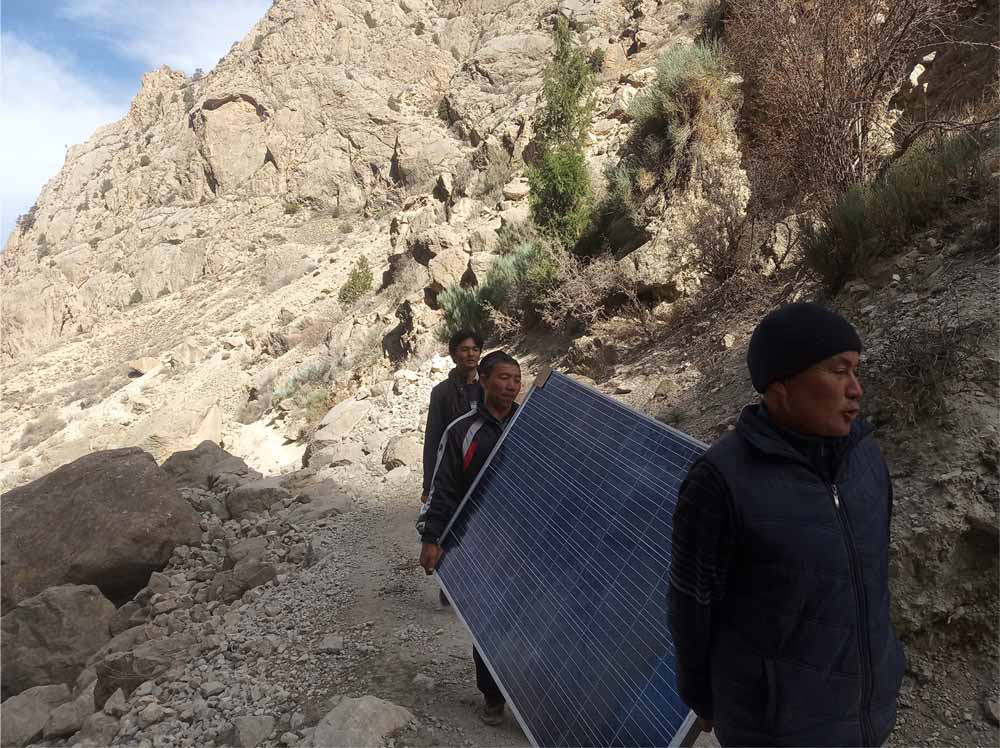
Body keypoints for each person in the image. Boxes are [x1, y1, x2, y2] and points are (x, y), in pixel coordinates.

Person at [668, 303, 905, 747]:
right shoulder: (719, 480)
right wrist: (701, 696)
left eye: (856, 370)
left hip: (867, 712)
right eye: (838, 371)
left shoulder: (866, 456)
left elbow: (872, 575)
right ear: (781, 389)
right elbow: (691, 607)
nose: (856, 389)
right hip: (775, 729)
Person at [418, 350, 522, 727]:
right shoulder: (462, 431)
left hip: (527, 540)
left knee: (533, 617)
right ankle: (493, 695)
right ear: (484, 380)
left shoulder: (530, 426)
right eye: (503, 378)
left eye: (516, 379)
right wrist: (432, 538)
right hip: (480, 542)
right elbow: (444, 489)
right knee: (488, 621)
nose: (511, 387)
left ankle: (533, 693)